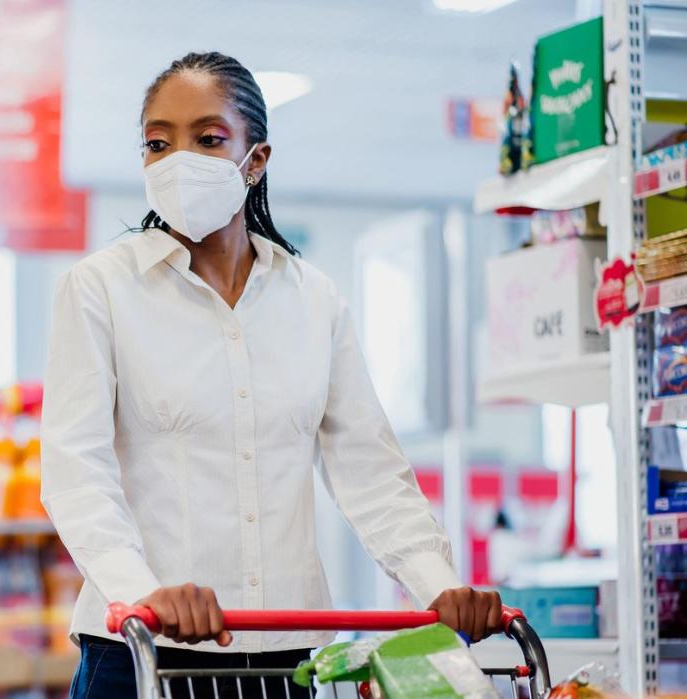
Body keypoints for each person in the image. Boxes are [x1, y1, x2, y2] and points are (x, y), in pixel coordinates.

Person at [40, 52, 502, 699]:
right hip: (141, 653)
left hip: (284, 660)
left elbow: (370, 473)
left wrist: (438, 584)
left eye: (207, 138)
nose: (177, 160)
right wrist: (143, 592)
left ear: (255, 160)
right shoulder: (100, 289)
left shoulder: (314, 300)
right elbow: (75, 473)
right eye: (156, 143)